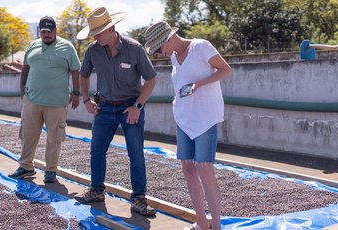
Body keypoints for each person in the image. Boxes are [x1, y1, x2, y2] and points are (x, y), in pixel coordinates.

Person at [143, 21, 232, 230]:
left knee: (205, 169)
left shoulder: (201, 46)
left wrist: (198, 85)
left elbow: (226, 70)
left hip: (205, 117)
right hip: (184, 118)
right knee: (188, 168)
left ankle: (216, 226)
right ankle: (202, 222)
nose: (158, 53)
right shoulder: (174, 56)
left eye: (158, 48)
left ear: (168, 39)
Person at [74, 7, 157, 216]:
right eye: (93, 34)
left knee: (135, 152)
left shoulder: (134, 48)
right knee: (96, 150)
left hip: (130, 106)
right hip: (104, 107)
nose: (96, 37)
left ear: (111, 28)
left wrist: (137, 106)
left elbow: (151, 79)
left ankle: (138, 198)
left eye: (99, 33)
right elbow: (83, 76)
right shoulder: (92, 51)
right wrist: (86, 99)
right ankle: (96, 190)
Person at [8, 16, 81, 183]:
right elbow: (26, 68)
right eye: (43, 31)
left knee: (54, 138)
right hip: (32, 100)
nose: (46, 34)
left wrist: (76, 93)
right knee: (27, 134)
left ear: (55, 30)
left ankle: (50, 171)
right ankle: (26, 166)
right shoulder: (33, 45)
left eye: (49, 31)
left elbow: (75, 70)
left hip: (56, 102)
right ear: (39, 32)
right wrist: (22, 89)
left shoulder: (67, 47)